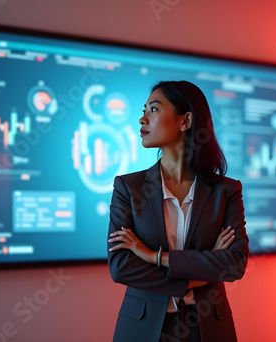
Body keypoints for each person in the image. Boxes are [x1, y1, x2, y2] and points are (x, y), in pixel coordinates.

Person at [107, 80, 249, 342]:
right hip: (144, 329)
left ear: (185, 121)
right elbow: (121, 267)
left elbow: (234, 265)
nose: (142, 120)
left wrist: (154, 257)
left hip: (209, 328)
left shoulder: (226, 191)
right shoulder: (128, 187)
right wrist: (201, 271)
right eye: (143, 110)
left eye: (154, 110)